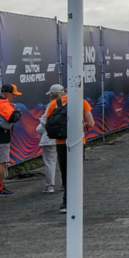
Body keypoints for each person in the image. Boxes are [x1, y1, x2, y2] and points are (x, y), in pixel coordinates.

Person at [42, 85, 94, 214]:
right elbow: (91, 123)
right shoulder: (82, 102)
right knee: (76, 172)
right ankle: (75, 200)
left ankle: (66, 202)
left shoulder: (55, 103)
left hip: (61, 142)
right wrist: (81, 125)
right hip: (77, 142)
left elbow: (47, 122)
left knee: (65, 172)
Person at [36, 87, 60, 194]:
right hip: (63, 136)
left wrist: (39, 130)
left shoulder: (51, 105)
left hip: (49, 137)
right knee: (65, 162)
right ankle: (66, 184)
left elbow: (44, 122)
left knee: (50, 162)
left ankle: (49, 186)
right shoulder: (68, 104)